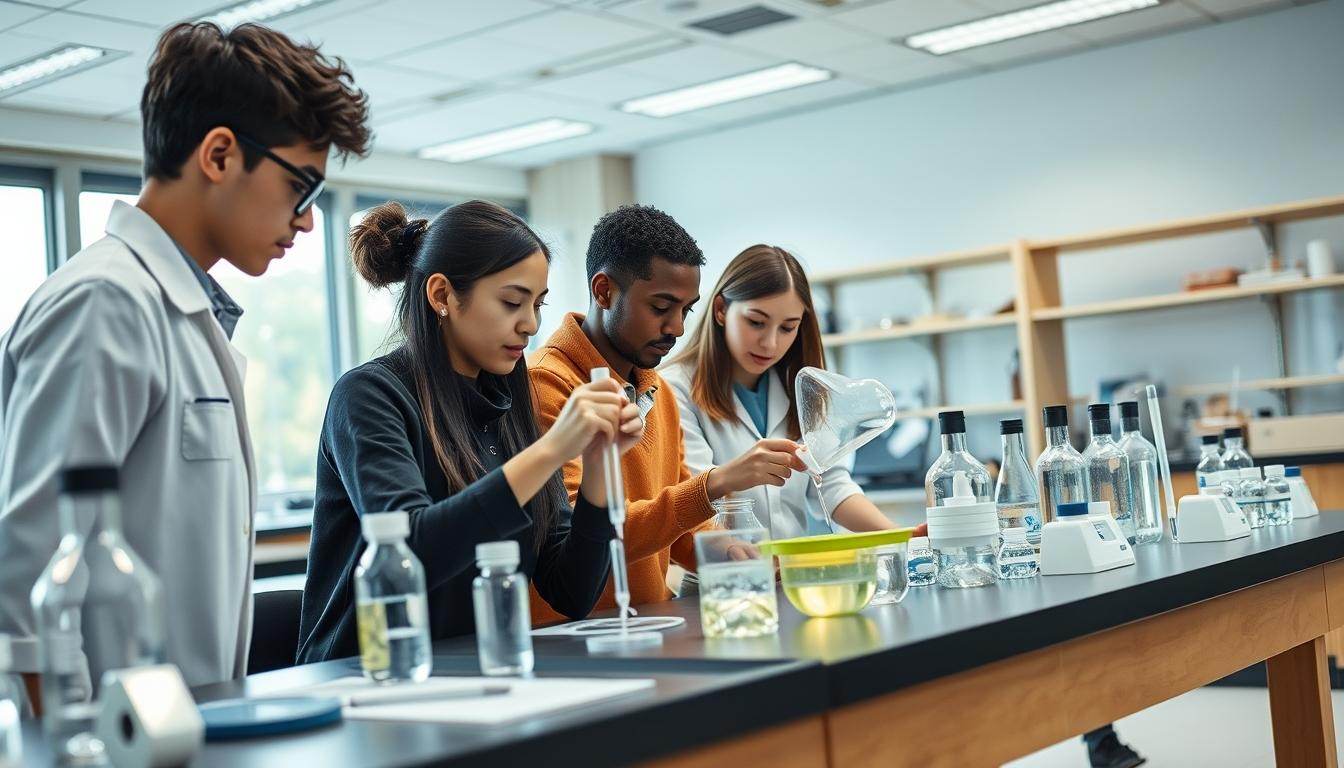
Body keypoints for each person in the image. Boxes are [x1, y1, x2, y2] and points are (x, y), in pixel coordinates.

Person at [0, 22, 372, 696]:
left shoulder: (182, 314)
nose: (309, 219)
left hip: (181, 726)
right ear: (221, 154)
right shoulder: (104, 303)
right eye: (303, 188)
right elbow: (28, 575)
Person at [297, 201, 642, 663]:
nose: (531, 324)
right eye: (511, 302)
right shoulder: (367, 396)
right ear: (442, 295)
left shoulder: (509, 401)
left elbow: (571, 592)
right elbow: (410, 550)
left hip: (476, 673)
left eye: (537, 305)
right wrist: (555, 448)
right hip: (366, 678)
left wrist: (600, 461)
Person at [527, 205, 805, 624]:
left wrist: (730, 553)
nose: (676, 326)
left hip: (648, 623)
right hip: (573, 639)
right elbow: (584, 538)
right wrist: (715, 483)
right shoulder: (546, 385)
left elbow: (675, 527)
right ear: (603, 291)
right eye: (661, 307)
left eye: (686, 310)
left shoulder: (657, 389)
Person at [664, 244, 903, 539]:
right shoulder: (673, 390)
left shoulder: (804, 393)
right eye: (756, 322)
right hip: (722, 575)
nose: (770, 344)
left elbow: (832, 486)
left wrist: (905, 536)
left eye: (787, 328)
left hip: (791, 574)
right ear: (722, 309)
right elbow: (697, 497)